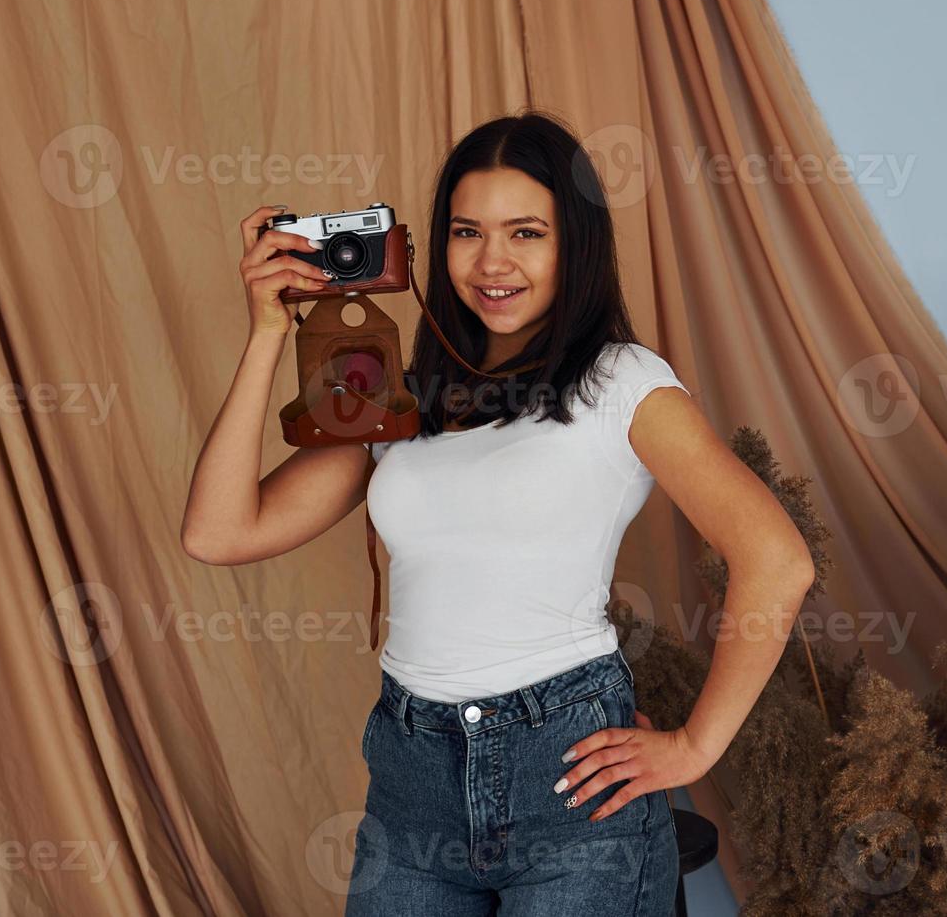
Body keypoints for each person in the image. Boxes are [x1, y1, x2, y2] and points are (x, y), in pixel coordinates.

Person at [181, 110, 817, 915]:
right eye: (466, 231)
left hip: (568, 785)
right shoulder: (404, 392)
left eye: (526, 233)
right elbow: (219, 530)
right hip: (412, 790)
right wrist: (268, 330)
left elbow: (777, 560)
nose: (492, 263)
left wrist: (694, 748)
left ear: (573, 244)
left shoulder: (620, 381)